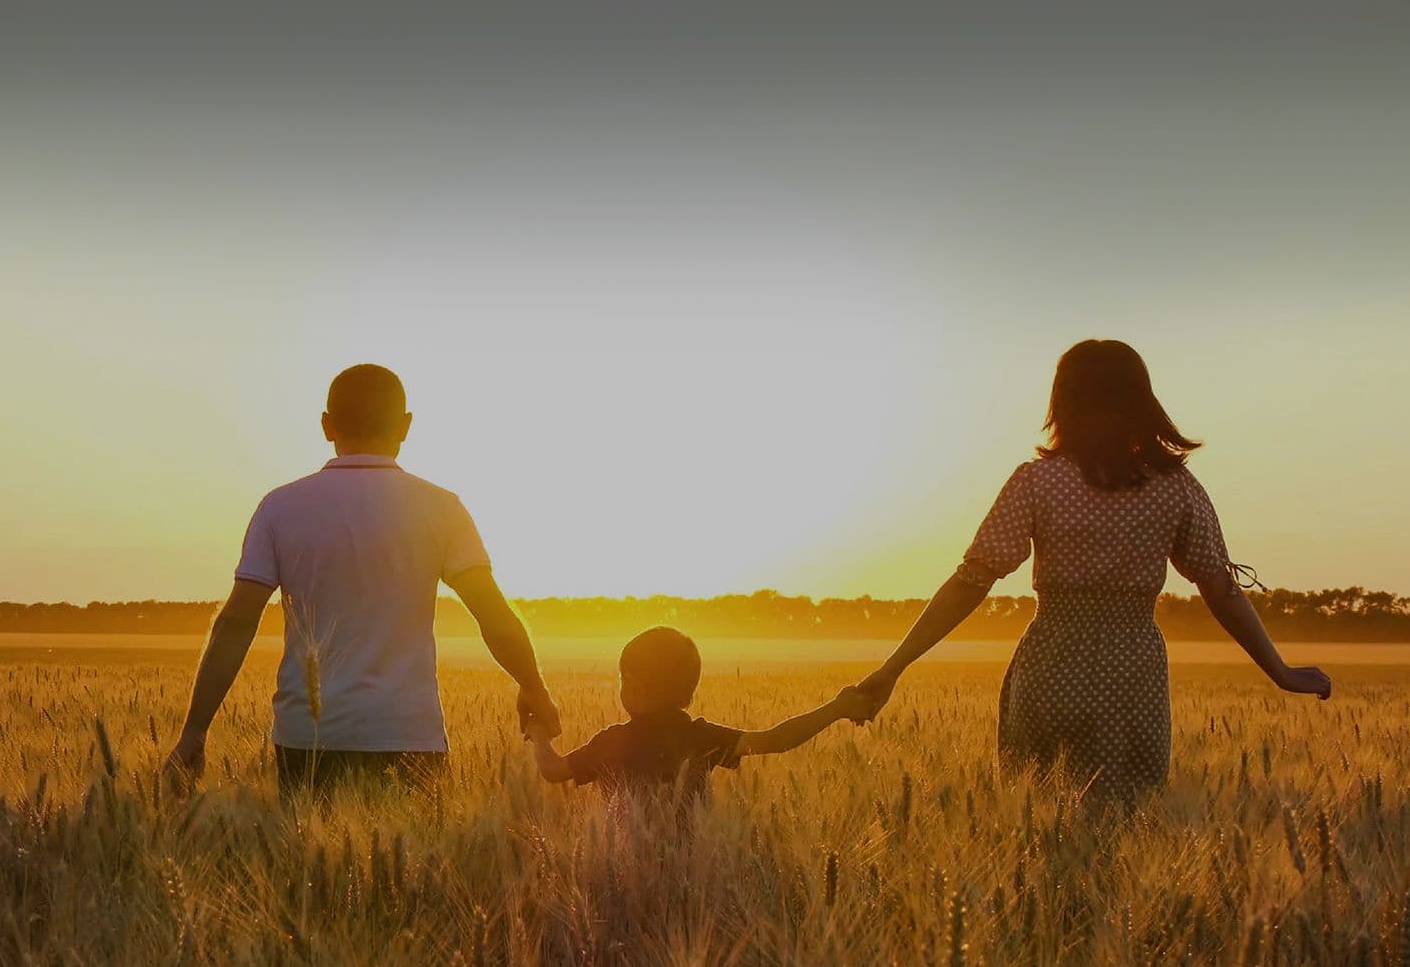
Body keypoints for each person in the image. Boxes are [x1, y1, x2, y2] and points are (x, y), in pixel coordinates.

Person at [849, 340, 1331, 803]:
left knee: (1039, 821)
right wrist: (1280, 671)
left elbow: (969, 583)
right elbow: (1222, 591)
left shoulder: (1036, 482)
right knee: (1128, 820)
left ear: (1062, 403)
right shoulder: (1176, 487)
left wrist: (893, 668)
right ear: (1142, 402)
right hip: (1132, 673)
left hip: (1050, 668)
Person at [163, 364, 559, 797]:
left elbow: (237, 621)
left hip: (307, 737)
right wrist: (533, 687)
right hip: (411, 734)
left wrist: (195, 730)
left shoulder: (279, 507)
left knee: (307, 863)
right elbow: (492, 614)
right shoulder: (443, 508)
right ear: (405, 427)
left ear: (326, 425)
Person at [523, 626, 870, 799]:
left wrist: (538, 731)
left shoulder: (612, 742)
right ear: (688, 691)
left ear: (633, 684)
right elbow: (778, 740)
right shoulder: (701, 738)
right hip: (692, 871)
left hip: (625, 874)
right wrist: (836, 708)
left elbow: (552, 770)